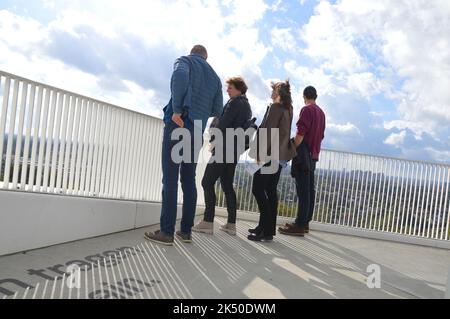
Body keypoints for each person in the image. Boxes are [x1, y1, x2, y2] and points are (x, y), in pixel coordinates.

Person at [145, 45, 223, 246]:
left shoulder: (185, 61)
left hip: (180, 124)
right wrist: (201, 112)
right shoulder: (215, 78)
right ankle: (185, 231)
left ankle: (166, 232)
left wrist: (177, 110)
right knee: (189, 180)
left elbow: (179, 77)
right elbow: (217, 108)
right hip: (197, 129)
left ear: (193, 52)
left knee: (170, 179)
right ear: (205, 57)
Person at [192, 77, 252, 236]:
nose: (227, 90)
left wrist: (213, 140)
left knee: (207, 182)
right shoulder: (247, 106)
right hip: (234, 151)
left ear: (239, 89)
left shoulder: (234, 103)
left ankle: (207, 221)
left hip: (223, 148)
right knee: (226, 184)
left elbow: (223, 123)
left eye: (230, 87)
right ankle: (231, 224)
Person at [247, 80, 297, 242]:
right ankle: (265, 228)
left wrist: (260, 154)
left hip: (269, 154)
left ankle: (265, 229)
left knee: (258, 189)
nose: (271, 92)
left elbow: (269, 132)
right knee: (270, 191)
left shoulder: (276, 108)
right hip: (281, 155)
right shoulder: (289, 109)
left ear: (279, 93)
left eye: (274, 90)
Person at [279, 86, 326, 237]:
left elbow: (300, 134)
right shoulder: (321, 113)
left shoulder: (307, 110)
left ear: (304, 96)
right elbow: (321, 135)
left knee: (302, 191)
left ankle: (299, 224)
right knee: (309, 190)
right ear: (316, 96)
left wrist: (290, 147)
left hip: (303, 155)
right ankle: (305, 223)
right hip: (313, 155)